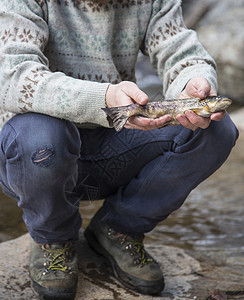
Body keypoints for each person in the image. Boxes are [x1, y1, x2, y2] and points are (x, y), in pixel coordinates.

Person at [0, 0, 238, 299]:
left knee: (216, 130)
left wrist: (193, 83)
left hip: (114, 143)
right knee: (40, 136)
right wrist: (105, 96)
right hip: (38, 153)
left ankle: (118, 230)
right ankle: (53, 240)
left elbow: (183, 54)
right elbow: (12, 77)